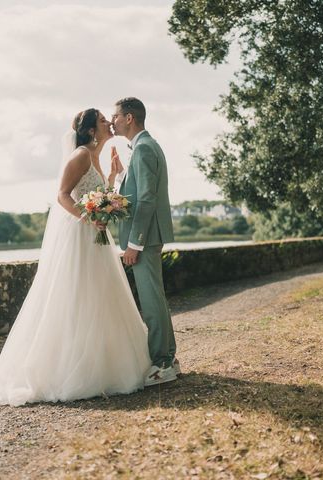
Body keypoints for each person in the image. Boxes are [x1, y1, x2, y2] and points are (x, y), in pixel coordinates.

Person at [0, 108, 151, 406]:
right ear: (89, 130)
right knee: (77, 297)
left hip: (95, 238)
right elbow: (62, 195)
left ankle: (106, 364)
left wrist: (111, 179)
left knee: (98, 298)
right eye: (103, 121)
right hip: (80, 237)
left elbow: (96, 196)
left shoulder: (96, 157)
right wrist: (88, 219)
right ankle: (71, 370)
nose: (109, 123)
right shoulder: (81, 155)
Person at [111, 97, 179, 386]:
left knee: (152, 303)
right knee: (156, 299)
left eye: (115, 116)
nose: (111, 120)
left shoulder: (143, 148)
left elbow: (148, 199)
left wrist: (134, 244)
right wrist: (120, 178)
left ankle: (163, 364)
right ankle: (169, 359)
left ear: (129, 118)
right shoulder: (145, 147)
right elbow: (138, 192)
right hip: (150, 235)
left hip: (146, 238)